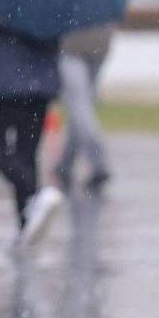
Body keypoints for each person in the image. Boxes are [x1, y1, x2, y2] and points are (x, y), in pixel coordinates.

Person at [0, 18, 65, 247]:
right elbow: (55, 40)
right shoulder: (45, 4)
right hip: (39, 86)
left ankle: (33, 198)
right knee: (26, 155)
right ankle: (27, 222)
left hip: (4, 84)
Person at [53, 22, 115, 195]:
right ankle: (66, 162)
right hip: (100, 41)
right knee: (80, 105)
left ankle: (99, 163)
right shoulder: (103, 6)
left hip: (72, 45)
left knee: (80, 107)